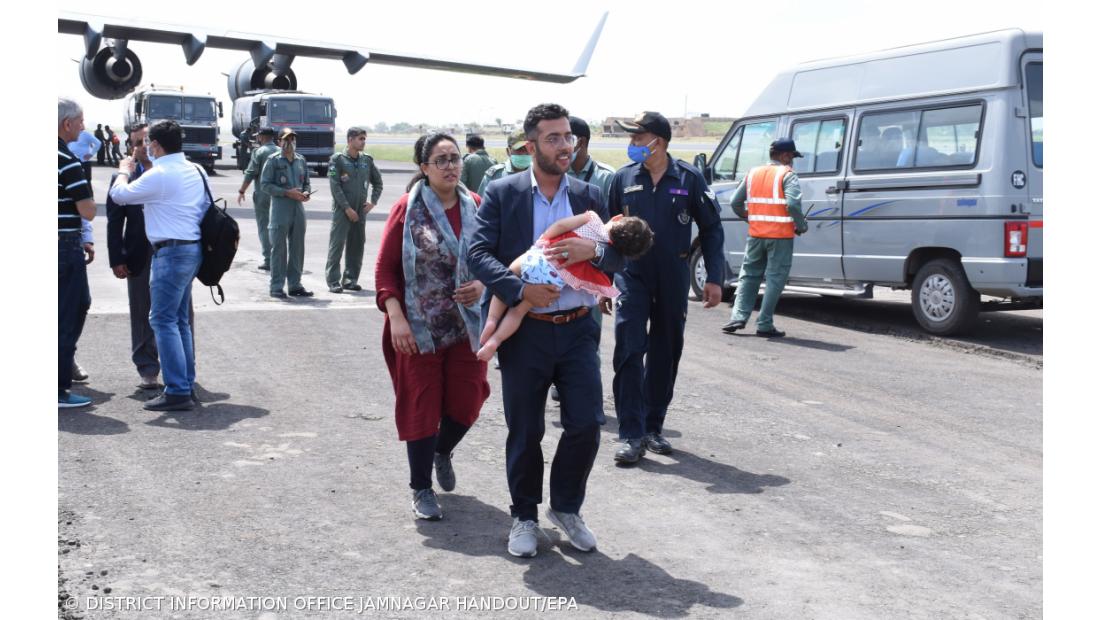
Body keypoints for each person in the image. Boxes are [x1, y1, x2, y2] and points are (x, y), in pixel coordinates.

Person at [468, 103, 626, 558]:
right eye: (553, 138)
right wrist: (520, 291)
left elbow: (618, 255)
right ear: (530, 144)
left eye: (568, 138)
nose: (564, 146)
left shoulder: (589, 194)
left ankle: (566, 507)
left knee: (586, 424)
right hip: (527, 332)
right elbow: (478, 254)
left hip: (577, 330)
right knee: (525, 428)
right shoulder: (503, 192)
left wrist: (590, 253)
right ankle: (523, 515)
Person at [375, 132, 489, 521]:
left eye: (454, 158)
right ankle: (421, 487)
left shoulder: (476, 205)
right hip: (419, 327)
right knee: (421, 404)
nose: (450, 166)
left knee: (469, 400)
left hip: (467, 326)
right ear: (423, 168)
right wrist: (396, 318)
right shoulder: (407, 208)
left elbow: (494, 258)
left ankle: (442, 449)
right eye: (440, 160)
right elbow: (385, 267)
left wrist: (483, 283)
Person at [605, 111, 726, 465]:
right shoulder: (622, 179)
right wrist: (602, 282)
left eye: (638, 138)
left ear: (658, 141)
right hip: (632, 275)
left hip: (672, 275)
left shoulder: (689, 179)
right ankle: (630, 433)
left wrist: (714, 278)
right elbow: (605, 231)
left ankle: (653, 426)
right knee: (629, 348)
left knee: (665, 350)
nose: (632, 145)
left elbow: (712, 228)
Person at [109, 120, 208, 411]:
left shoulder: (161, 173)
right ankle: (185, 383)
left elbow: (119, 195)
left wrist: (123, 172)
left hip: (170, 252)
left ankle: (177, 390)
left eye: (149, 143)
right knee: (179, 321)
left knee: (162, 321)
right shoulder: (196, 169)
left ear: (156, 145)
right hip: (192, 249)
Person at [477, 211, 652, 361]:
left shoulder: (591, 218)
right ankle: (495, 341)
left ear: (617, 218)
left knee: (506, 283)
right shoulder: (604, 249)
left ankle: (491, 321)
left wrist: (544, 239)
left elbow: (560, 225)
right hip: (553, 279)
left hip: (540, 256)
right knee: (519, 312)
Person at [722, 138, 808, 338]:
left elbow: (736, 202)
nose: (793, 161)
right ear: (785, 155)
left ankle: (738, 317)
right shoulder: (788, 174)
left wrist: (750, 217)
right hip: (781, 237)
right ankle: (764, 323)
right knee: (775, 279)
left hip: (756, 235)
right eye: (792, 156)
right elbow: (793, 205)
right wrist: (801, 225)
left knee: (749, 276)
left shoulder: (753, 173)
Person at [58, 98, 98, 408]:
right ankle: (58, 388)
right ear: (67, 124)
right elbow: (88, 211)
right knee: (70, 311)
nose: (83, 127)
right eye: (80, 121)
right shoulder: (66, 160)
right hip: (63, 244)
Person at [325, 126, 383, 293]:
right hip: (342, 209)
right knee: (337, 244)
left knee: (357, 245)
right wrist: (347, 208)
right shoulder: (338, 160)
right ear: (350, 140)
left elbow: (378, 182)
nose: (363, 142)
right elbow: (335, 187)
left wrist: (372, 202)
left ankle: (350, 279)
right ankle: (333, 280)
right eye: (360, 139)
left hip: (360, 210)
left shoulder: (366, 160)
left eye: (364, 139)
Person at [260, 127, 313, 298]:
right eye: (286, 139)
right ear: (279, 142)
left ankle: (295, 284)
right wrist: (286, 192)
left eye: (292, 140)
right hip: (280, 208)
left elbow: (306, 183)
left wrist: (305, 193)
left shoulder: (301, 160)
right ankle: (276, 286)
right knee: (279, 249)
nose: (289, 143)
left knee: (298, 247)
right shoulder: (273, 160)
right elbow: (265, 185)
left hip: (298, 208)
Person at [237, 127, 279, 271]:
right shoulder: (281, 151)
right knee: (278, 227)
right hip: (280, 195)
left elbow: (250, 173)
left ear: (261, 137)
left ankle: (268, 259)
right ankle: (279, 257)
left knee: (264, 226)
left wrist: (242, 190)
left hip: (262, 195)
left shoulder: (259, 152)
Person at [566, 116, 616, 204]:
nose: (562, 146)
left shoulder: (607, 177)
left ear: (581, 142)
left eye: (568, 140)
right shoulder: (557, 175)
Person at [476, 129, 531, 195]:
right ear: (508, 151)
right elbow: (482, 201)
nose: (524, 153)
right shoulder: (495, 175)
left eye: (528, 149)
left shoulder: (538, 174)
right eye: (519, 149)